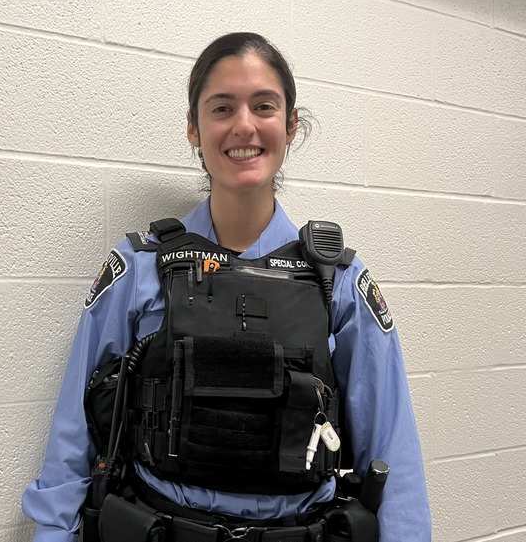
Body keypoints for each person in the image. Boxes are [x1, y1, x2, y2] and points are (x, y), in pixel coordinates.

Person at [22, 32, 431, 542]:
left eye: (264, 106)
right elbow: (73, 438)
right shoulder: (141, 267)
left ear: (290, 124)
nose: (244, 125)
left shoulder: (340, 284)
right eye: (222, 108)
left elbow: (393, 454)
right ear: (194, 128)